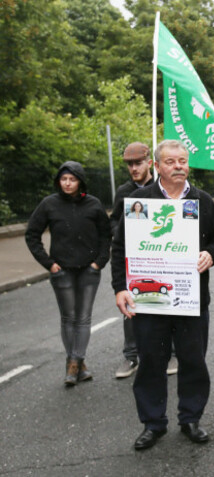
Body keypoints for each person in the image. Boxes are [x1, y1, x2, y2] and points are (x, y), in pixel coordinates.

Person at [111, 140, 214, 450]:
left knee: (193, 360)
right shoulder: (139, 201)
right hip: (149, 302)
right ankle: (153, 424)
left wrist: (211, 254)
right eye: (171, 161)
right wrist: (120, 287)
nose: (178, 166)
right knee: (151, 361)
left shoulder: (202, 200)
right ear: (158, 166)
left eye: (183, 161)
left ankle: (190, 418)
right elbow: (120, 247)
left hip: (191, 299)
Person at [26, 161, 111, 386]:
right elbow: (32, 234)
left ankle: (73, 363)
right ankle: (78, 364)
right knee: (68, 317)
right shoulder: (49, 204)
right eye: (63, 179)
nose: (67, 183)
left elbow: (106, 235)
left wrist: (99, 263)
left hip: (88, 271)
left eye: (72, 179)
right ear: (58, 181)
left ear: (80, 181)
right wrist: (49, 264)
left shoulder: (93, 204)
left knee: (83, 318)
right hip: (61, 270)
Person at [110, 143, 177, 380]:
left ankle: (170, 352)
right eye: (130, 164)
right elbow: (114, 223)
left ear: (150, 163)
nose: (134, 168)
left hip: (164, 256)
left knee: (165, 301)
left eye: (138, 163)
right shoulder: (124, 191)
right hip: (136, 259)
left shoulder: (164, 187)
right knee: (132, 305)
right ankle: (131, 356)